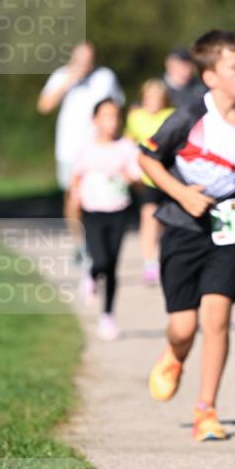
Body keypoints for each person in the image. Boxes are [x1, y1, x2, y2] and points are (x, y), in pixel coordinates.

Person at [138, 30, 235, 442]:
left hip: (229, 229)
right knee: (184, 327)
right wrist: (182, 193)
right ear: (210, 77)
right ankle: (175, 354)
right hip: (183, 229)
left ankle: (206, 410)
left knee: (218, 320)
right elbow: (146, 158)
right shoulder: (189, 116)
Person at [69, 98, 141, 340]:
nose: (111, 122)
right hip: (92, 212)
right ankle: (90, 273)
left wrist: (130, 178)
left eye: (115, 116)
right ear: (95, 120)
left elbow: (136, 175)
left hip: (118, 210)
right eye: (106, 116)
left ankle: (108, 315)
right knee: (99, 259)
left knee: (112, 265)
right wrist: (74, 202)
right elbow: (76, 179)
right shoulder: (87, 149)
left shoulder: (126, 147)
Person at [37, 42, 124, 228]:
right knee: (73, 197)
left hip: (99, 148)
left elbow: (117, 106)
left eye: (89, 59)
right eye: (81, 59)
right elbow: (44, 106)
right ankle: (79, 243)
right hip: (69, 149)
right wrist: (69, 81)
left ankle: (96, 240)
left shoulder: (105, 76)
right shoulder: (61, 75)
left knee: (101, 196)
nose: (85, 63)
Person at [125, 79, 174, 285]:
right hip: (145, 175)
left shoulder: (171, 115)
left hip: (168, 174)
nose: (152, 101)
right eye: (149, 97)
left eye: (156, 97)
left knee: (164, 220)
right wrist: (128, 168)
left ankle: (163, 258)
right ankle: (149, 262)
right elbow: (129, 141)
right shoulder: (135, 117)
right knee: (148, 216)